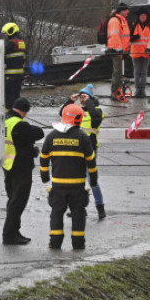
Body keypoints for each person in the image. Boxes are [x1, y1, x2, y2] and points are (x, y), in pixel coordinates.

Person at [40, 103, 97, 250]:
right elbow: (91, 160)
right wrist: (94, 179)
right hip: (77, 186)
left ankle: (55, 242)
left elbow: (44, 157)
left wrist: (44, 176)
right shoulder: (83, 137)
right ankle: (78, 244)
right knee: (78, 214)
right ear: (78, 119)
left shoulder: (52, 136)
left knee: (56, 213)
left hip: (58, 185)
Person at [60, 84, 106, 219]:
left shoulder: (97, 110)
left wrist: (89, 101)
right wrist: (70, 101)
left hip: (90, 149)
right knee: (77, 180)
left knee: (92, 180)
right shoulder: (76, 109)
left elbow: (95, 118)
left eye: (84, 96)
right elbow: (62, 113)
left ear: (91, 98)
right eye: (81, 96)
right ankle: (79, 208)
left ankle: (100, 207)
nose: (82, 99)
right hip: (76, 148)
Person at [2, 98, 45, 245]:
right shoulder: (20, 124)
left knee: (12, 200)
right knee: (18, 202)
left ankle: (15, 231)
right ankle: (9, 235)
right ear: (25, 111)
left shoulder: (4, 120)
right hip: (21, 167)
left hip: (7, 164)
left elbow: (18, 141)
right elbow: (39, 133)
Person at [128, 5, 150, 99]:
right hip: (136, 52)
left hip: (146, 52)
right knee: (137, 71)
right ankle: (137, 90)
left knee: (144, 72)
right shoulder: (134, 25)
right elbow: (127, 38)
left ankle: (142, 90)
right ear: (138, 17)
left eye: (144, 16)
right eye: (141, 16)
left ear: (147, 17)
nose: (143, 17)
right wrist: (134, 38)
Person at [106, 3, 131, 99]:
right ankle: (114, 92)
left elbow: (125, 37)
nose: (128, 12)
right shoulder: (115, 21)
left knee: (120, 73)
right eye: (126, 10)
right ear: (122, 11)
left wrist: (126, 50)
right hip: (116, 50)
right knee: (117, 72)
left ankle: (118, 91)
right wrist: (120, 50)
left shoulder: (123, 21)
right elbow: (115, 36)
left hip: (121, 51)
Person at [2, 22, 27, 109]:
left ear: (10, 31)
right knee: (17, 96)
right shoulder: (21, 42)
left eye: (5, 33)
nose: (5, 36)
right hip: (19, 75)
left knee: (9, 98)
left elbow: (1, 53)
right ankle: (17, 112)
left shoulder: (11, 43)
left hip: (10, 75)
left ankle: (9, 115)